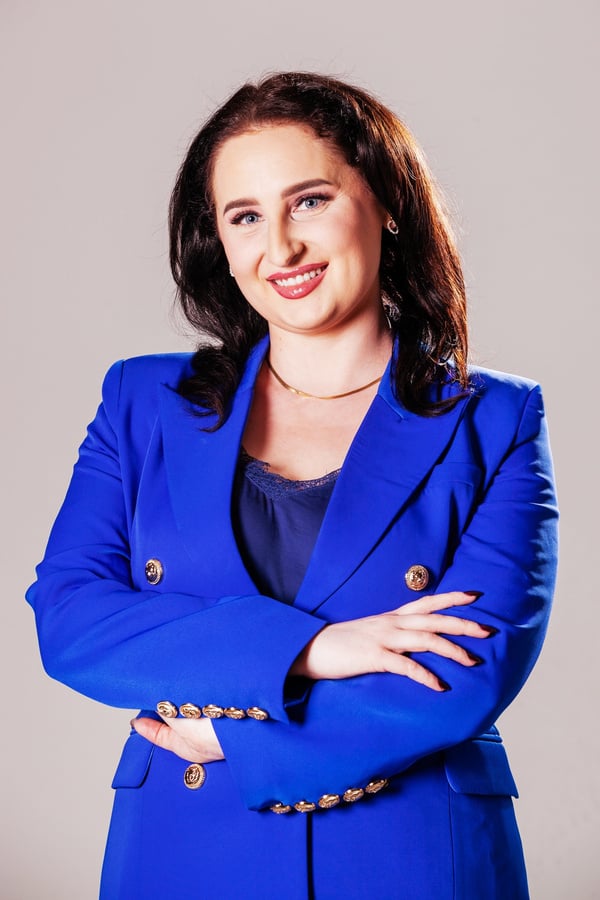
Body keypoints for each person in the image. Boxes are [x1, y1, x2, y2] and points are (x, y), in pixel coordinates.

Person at [26, 71, 558, 899]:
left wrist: (237, 741)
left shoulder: (496, 418)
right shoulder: (141, 402)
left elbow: (466, 674)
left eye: (308, 201)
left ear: (386, 202)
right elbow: (71, 619)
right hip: (185, 852)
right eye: (245, 216)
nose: (280, 248)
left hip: (412, 855)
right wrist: (309, 650)